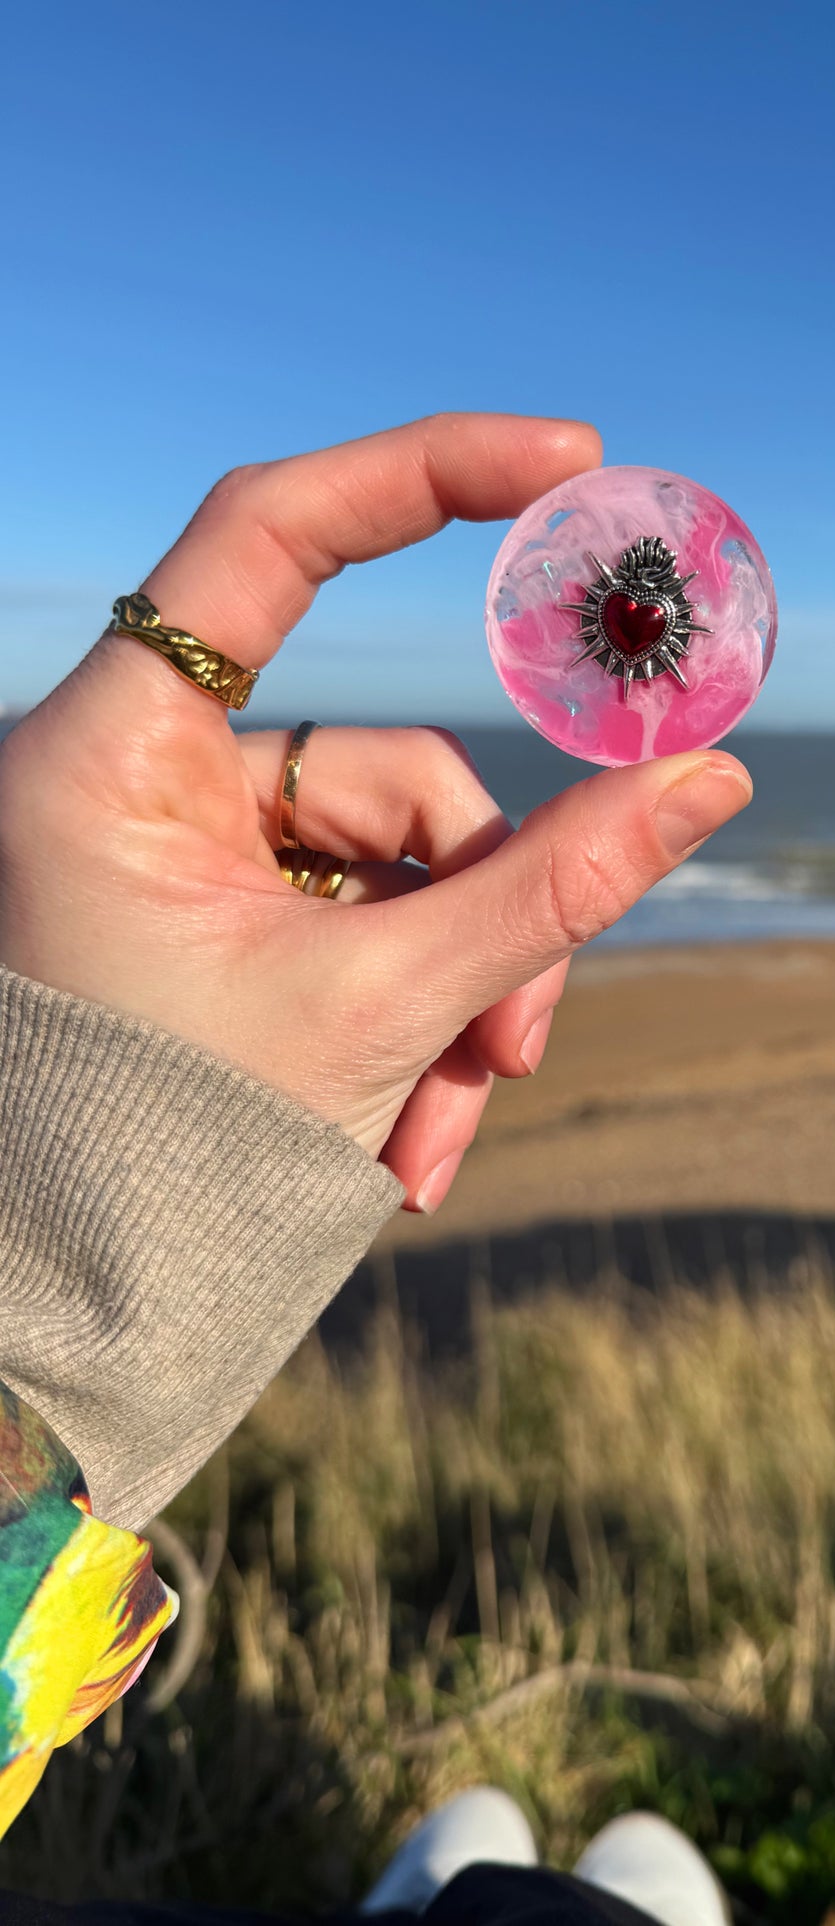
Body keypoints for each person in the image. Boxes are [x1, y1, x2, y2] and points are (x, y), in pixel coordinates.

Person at [0, 413, 751, 1922]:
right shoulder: (629, 618)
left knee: (480, 1886)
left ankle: (446, 1889)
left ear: (651, 616)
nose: (635, 615)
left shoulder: (637, 616)